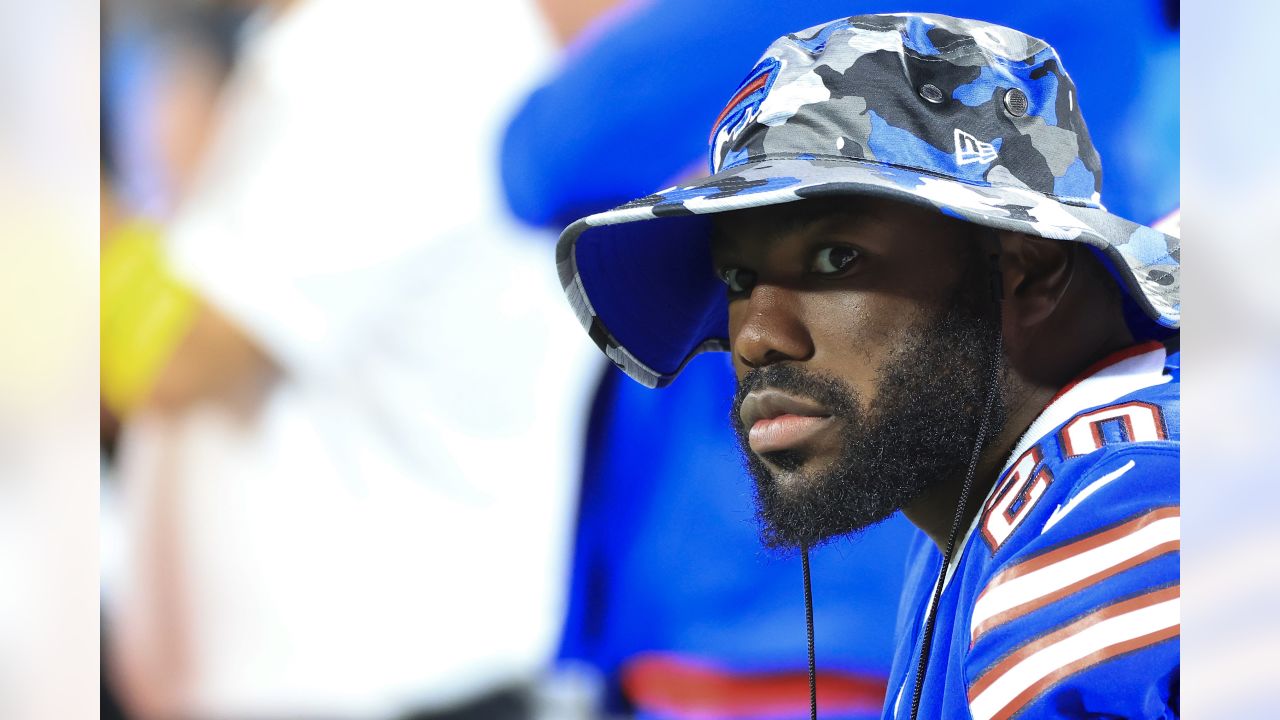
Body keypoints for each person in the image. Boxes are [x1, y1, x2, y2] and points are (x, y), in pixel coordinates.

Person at [553, 13, 1179, 720]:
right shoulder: (1006, 488)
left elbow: (540, 158)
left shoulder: (1112, 547)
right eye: (736, 278)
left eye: (834, 258)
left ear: (1028, 272)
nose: (755, 337)